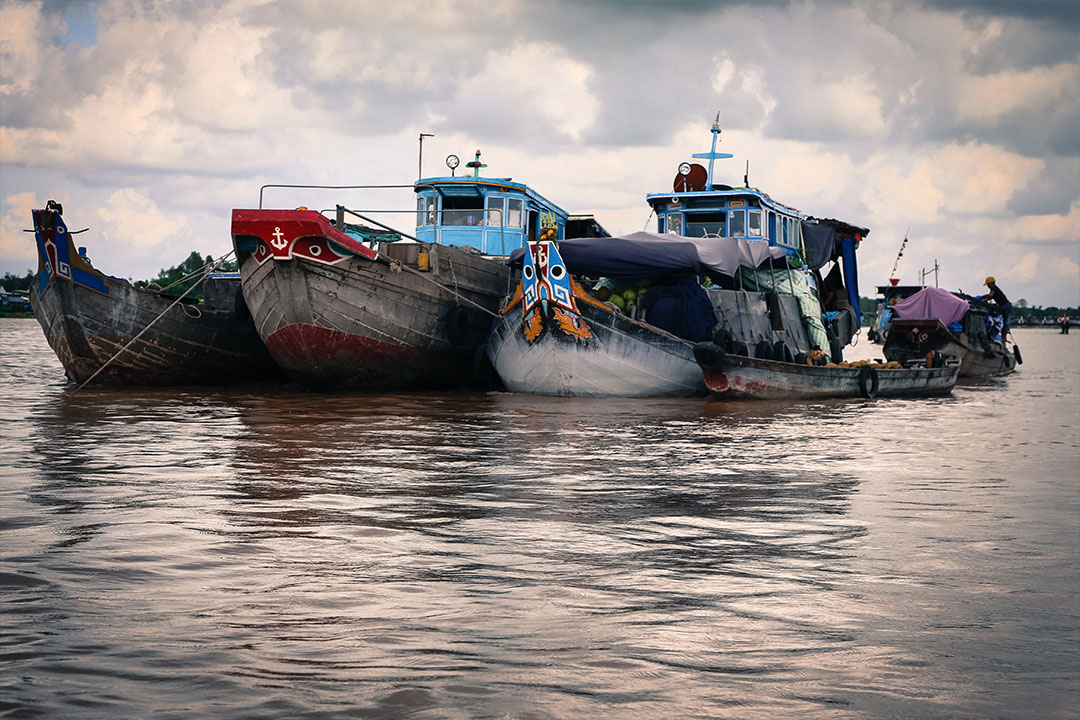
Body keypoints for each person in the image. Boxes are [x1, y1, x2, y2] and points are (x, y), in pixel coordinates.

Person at [978, 276, 1012, 346]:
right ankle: (1001, 337)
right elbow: (990, 297)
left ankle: (1003, 337)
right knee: (1003, 321)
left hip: (1006, 306)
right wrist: (985, 300)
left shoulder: (994, 288)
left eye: (988, 285)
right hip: (1002, 306)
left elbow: (990, 296)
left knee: (1005, 322)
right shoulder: (993, 289)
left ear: (991, 283)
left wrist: (983, 297)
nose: (988, 286)